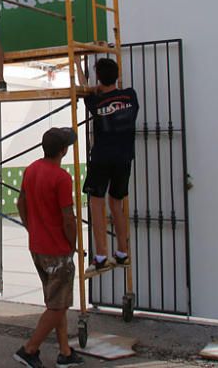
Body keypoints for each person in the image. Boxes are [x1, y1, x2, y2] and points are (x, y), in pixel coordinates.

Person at [13, 127, 85, 368]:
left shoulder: (31, 169)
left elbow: (20, 202)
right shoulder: (62, 178)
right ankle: (29, 349)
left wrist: (30, 227)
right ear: (63, 151)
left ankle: (65, 352)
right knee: (58, 305)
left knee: (57, 302)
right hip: (57, 251)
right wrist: (72, 245)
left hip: (38, 247)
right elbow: (68, 218)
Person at [75, 56, 140, 274]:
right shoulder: (131, 95)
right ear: (118, 75)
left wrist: (76, 63)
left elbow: (85, 89)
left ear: (99, 78)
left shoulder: (96, 102)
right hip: (124, 157)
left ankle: (101, 255)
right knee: (117, 203)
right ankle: (122, 253)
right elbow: (108, 91)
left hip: (102, 157)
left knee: (96, 203)